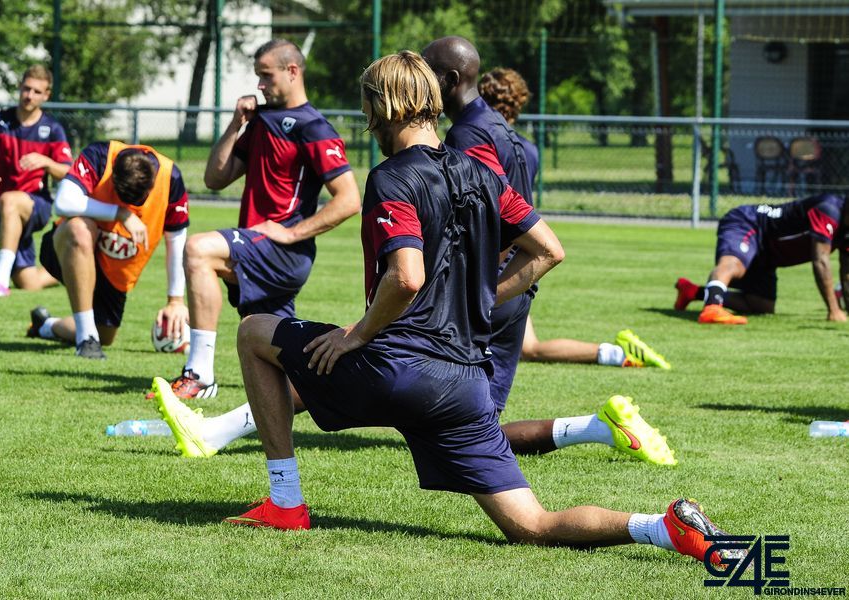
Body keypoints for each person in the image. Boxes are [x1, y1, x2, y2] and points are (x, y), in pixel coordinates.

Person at [150, 52, 741, 570]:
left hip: (397, 370)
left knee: (255, 332)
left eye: (368, 105)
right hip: (464, 383)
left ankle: (285, 502)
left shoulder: (390, 178)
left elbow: (406, 277)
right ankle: (663, 527)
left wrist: (357, 334)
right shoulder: (482, 173)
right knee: (531, 524)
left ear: (383, 108)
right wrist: (482, 298)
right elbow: (548, 250)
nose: (366, 117)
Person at [422, 38, 674, 463]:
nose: (420, 80)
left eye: (426, 71)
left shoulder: (467, 135)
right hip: (515, 285)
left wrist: (475, 282)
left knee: (441, 422)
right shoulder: (510, 135)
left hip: (490, 286)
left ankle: (600, 425)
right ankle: (598, 426)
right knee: (474, 433)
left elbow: (492, 215)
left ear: (449, 79)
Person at [159, 38, 360, 399]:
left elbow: (349, 200)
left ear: (292, 71)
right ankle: (344, 388)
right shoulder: (260, 121)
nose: (260, 85)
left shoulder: (314, 127)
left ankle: (199, 374)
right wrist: (235, 124)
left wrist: (291, 233)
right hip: (256, 244)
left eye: (266, 76)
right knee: (268, 344)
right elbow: (215, 179)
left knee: (198, 250)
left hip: (282, 250)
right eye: (258, 76)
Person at [477, 67, 671, 370]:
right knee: (529, 348)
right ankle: (617, 353)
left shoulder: (479, 143)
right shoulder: (527, 149)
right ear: (520, 102)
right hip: (523, 254)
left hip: (497, 257)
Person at [26, 140, 190, 359]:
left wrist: (175, 300)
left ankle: (46, 326)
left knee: (105, 335)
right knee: (79, 228)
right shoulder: (99, 156)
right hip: (69, 249)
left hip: (115, 270)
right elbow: (63, 202)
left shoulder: (171, 178)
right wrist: (120, 213)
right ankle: (86, 339)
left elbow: (176, 239)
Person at [0, 65, 72, 297]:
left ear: (46, 95)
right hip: (5, 209)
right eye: (26, 89)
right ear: (20, 87)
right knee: (28, 281)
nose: (29, 95)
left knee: (10, 200)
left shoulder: (52, 129)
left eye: (36, 91)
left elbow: (67, 171)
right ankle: (72, 267)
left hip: (37, 205)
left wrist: (46, 162)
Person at [674, 196, 848, 324]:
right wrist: (834, 310)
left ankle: (692, 291)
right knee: (734, 265)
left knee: (761, 305)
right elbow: (821, 260)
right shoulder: (828, 210)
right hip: (749, 222)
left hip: (768, 252)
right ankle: (712, 308)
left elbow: (846, 271)